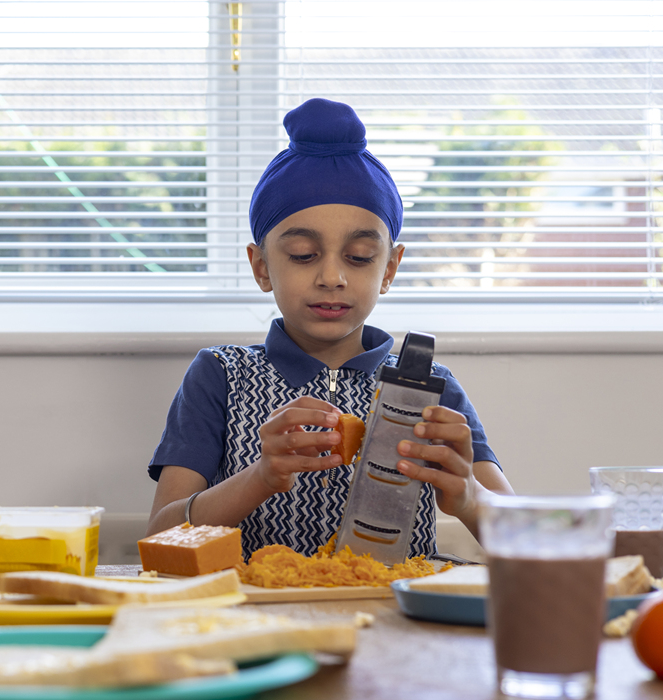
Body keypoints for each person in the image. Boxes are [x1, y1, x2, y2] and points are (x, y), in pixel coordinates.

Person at [146, 98, 513, 558]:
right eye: (303, 254)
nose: (333, 277)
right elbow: (160, 539)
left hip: (392, 621)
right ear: (261, 266)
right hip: (258, 619)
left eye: (359, 257)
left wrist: (470, 498)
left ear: (389, 268)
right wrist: (261, 477)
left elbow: (532, 544)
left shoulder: (432, 388)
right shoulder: (221, 376)